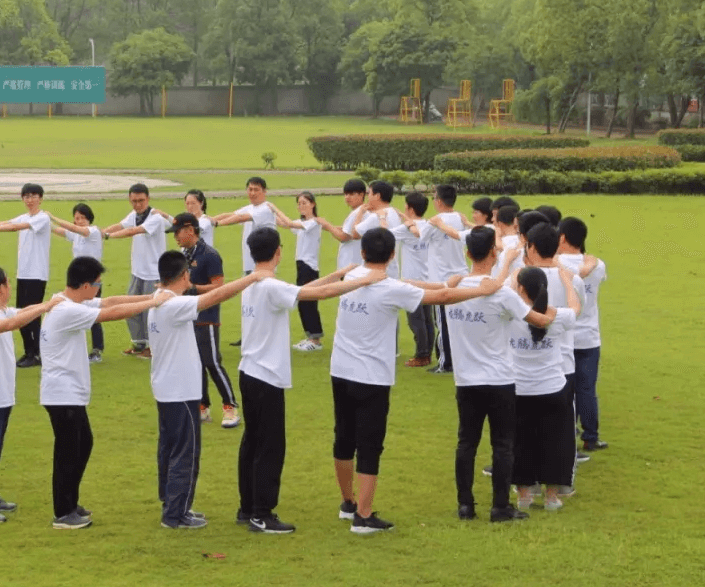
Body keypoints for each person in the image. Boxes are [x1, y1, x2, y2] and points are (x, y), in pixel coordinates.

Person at [326, 228, 502, 535]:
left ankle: (348, 503)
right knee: (369, 444)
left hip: (340, 370)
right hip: (371, 377)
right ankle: (364, 516)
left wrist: (456, 283)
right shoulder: (390, 287)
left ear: (363, 252)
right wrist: (484, 289)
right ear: (393, 255)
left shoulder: (351, 278)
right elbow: (443, 297)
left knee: (344, 437)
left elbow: (435, 289)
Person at [236, 228, 387, 535]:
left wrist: (339, 274)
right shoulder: (270, 286)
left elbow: (302, 289)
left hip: (249, 373)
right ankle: (262, 513)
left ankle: (248, 507)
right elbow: (315, 295)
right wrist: (360, 281)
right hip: (266, 378)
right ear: (278, 251)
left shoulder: (253, 284)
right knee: (269, 446)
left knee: (252, 442)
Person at [38, 256, 167, 529]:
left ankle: (70, 502)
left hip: (68, 392)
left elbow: (110, 302)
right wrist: (154, 303)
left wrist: (153, 295)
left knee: (82, 444)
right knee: (69, 451)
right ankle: (63, 512)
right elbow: (110, 314)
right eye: (97, 283)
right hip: (62, 393)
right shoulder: (66, 310)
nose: (99, 289)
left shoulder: (68, 300)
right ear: (85, 284)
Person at [148, 252, 270, 529]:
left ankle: (172, 503)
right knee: (185, 452)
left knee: (168, 449)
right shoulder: (173, 304)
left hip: (166, 389)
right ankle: (176, 514)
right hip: (180, 391)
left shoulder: (158, 302)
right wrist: (250, 278)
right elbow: (213, 297)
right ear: (184, 277)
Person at [443, 227, 557, 522]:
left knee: (466, 443)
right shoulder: (502, 294)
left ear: (467, 253)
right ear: (493, 253)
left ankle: (465, 505)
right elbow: (536, 319)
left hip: (466, 380)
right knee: (503, 445)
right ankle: (499, 506)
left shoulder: (454, 289)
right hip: (499, 380)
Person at [0, 266, 63, 523]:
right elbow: (9, 324)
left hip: (0, 396)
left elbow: (21, 313)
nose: (10, 287)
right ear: (1, 288)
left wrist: (49, 304)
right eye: (8, 283)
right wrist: (45, 307)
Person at [509, 266, 581, 511]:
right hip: (552, 388)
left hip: (519, 390)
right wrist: (568, 283)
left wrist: (511, 269)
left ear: (520, 289)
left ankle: (524, 495)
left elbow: (505, 294)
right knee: (555, 442)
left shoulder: (509, 315)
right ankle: (551, 497)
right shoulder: (557, 316)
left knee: (520, 442)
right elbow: (576, 309)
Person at [523, 222, 589, 479]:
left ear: (532, 247)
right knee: (560, 428)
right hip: (563, 360)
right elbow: (576, 313)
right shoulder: (571, 279)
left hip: (528, 360)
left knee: (527, 425)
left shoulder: (520, 278)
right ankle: (560, 480)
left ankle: (530, 480)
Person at [168, 212, 239, 428]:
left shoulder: (209, 255)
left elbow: (220, 287)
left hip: (206, 317)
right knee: (195, 364)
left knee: (212, 362)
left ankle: (230, 406)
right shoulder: (184, 254)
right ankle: (202, 406)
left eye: (178, 232)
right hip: (187, 316)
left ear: (190, 230)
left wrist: (193, 289)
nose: (175, 237)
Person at [0, 183, 52, 369]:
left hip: (37, 274)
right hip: (24, 273)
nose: (29, 200)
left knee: (31, 315)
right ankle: (29, 352)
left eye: (33, 196)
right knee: (21, 313)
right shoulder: (25, 216)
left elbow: (14, 228)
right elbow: (7, 223)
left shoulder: (42, 218)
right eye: (26, 196)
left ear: (40, 198)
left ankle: (36, 353)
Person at [557, 217, 608, 452]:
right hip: (589, 336)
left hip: (564, 335)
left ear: (563, 238)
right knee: (587, 389)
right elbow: (589, 269)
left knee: (564, 389)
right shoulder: (597, 264)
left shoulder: (554, 264)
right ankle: (590, 436)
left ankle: (566, 436)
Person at [102, 183, 168, 359]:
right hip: (137, 271)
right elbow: (122, 225)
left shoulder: (155, 217)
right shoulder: (134, 215)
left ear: (148, 199)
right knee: (131, 309)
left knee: (150, 311)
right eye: (134, 201)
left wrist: (108, 237)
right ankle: (139, 343)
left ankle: (153, 347)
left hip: (153, 272)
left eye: (141, 201)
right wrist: (100, 232)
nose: (137, 205)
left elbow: (133, 231)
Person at [419, 184, 469, 374]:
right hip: (461, 274)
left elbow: (421, 238)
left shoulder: (435, 221)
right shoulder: (460, 218)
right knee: (458, 321)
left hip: (441, 278)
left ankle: (445, 362)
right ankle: (457, 359)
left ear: (438, 201)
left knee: (443, 322)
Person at [50, 203, 105, 363]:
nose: (79, 221)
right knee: (75, 312)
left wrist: (54, 218)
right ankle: (74, 348)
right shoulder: (77, 235)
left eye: (82, 218)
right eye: (76, 218)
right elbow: (62, 231)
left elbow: (74, 229)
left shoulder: (93, 232)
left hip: (92, 281)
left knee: (95, 314)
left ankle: (97, 349)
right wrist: (46, 224)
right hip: (77, 282)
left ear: (89, 219)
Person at [385, 193, 434, 367]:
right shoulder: (429, 226)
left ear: (410, 208)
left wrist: (383, 218)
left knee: (416, 320)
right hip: (428, 279)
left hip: (412, 281)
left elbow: (384, 235)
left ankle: (422, 355)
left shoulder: (406, 229)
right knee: (427, 318)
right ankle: (427, 352)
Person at [272, 192, 325, 351]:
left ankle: (316, 340)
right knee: (302, 302)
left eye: (304, 203)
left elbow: (288, 222)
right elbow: (284, 224)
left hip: (309, 267)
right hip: (301, 265)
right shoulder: (303, 223)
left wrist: (274, 207)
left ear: (312, 204)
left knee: (308, 303)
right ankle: (311, 337)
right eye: (299, 203)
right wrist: (265, 215)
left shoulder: (313, 223)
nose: (301, 206)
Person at [211, 177, 276, 275]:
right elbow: (231, 215)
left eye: (256, 190)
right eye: (250, 189)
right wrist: (208, 219)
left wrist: (218, 223)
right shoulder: (251, 207)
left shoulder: (266, 208)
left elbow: (241, 217)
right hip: (249, 262)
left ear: (264, 191)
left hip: (263, 265)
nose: (252, 193)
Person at [317, 178, 368, 270]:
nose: (347, 197)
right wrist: (324, 226)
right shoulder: (363, 211)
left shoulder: (357, 213)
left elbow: (344, 237)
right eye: (346, 194)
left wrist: (328, 226)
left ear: (362, 194)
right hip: (357, 262)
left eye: (351, 194)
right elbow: (346, 230)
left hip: (350, 264)